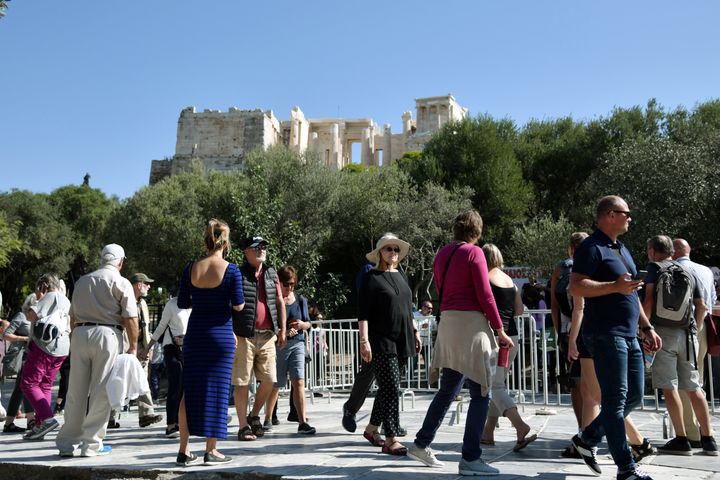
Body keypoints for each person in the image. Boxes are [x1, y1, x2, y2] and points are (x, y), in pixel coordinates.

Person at [407, 210, 513, 476]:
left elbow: (441, 287)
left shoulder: (442, 253)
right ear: (477, 230)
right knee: (481, 392)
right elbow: (485, 294)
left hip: (448, 323)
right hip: (471, 325)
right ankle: (470, 458)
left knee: (448, 389)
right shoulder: (474, 253)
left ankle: (421, 443)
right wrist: (500, 330)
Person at [569, 196, 662, 480]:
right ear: (610, 214)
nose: (630, 218)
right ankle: (626, 468)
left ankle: (587, 439)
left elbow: (630, 292)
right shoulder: (590, 247)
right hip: (606, 334)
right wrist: (613, 286)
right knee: (615, 399)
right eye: (626, 213)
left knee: (633, 395)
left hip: (630, 334)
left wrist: (646, 327)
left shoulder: (621, 248)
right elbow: (576, 287)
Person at [55, 243, 139, 458]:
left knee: (76, 390)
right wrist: (133, 346)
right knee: (101, 390)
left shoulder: (83, 281)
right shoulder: (121, 282)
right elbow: (130, 317)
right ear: (120, 261)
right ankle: (91, 444)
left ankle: (67, 442)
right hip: (107, 335)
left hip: (81, 333)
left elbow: (72, 316)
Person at [175, 219, 244, 466]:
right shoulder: (232, 270)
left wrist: (203, 299)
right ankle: (211, 450)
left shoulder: (191, 267)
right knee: (217, 390)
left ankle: (184, 450)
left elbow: (183, 302)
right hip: (220, 335)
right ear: (225, 242)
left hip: (195, 334)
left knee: (188, 392)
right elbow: (238, 305)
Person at [642, 235, 717, 456]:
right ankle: (709, 439)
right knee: (694, 387)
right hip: (688, 334)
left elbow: (648, 301)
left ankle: (682, 439)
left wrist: (645, 329)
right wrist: (696, 328)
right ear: (671, 251)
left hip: (662, 333)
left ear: (653, 251)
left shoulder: (654, 268)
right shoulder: (688, 271)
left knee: (670, 386)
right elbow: (701, 305)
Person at [358, 233, 420, 456]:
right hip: (381, 340)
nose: (392, 253)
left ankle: (372, 429)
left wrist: (415, 331)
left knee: (388, 388)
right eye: (388, 249)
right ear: (380, 253)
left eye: (395, 249)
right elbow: (363, 314)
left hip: (404, 338)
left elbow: (407, 307)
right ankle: (390, 438)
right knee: (392, 388)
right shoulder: (371, 277)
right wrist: (364, 341)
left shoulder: (401, 275)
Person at [480, 244, 536, 451]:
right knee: (498, 384)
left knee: (495, 387)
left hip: (495, 338)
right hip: (512, 338)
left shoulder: (485, 279)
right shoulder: (510, 281)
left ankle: (520, 426)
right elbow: (519, 311)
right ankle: (488, 432)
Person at [232, 236, 286, 441]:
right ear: (246, 252)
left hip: (267, 336)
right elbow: (229, 304)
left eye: (263, 247)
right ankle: (243, 426)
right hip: (243, 335)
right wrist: (230, 331)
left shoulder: (271, 273)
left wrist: (281, 329)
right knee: (242, 382)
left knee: (270, 380)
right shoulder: (237, 273)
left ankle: (254, 415)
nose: (262, 250)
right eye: (257, 247)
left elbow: (280, 301)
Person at [672, 238, 718, 450]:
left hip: (678, 328)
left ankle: (692, 434)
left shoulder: (671, 269)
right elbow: (711, 301)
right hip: (701, 328)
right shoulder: (706, 271)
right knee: (697, 380)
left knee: (683, 384)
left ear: (673, 252)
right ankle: (706, 430)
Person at [265, 265, 316, 434]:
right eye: (286, 284)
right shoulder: (273, 301)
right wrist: (284, 333)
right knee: (276, 384)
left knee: (299, 381)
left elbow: (308, 323)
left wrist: (302, 325)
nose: (290, 287)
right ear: (279, 283)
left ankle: (302, 421)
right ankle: (267, 418)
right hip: (278, 345)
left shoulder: (301, 300)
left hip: (298, 343)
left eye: (292, 284)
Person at [108, 272, 162, 429]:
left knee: (142, 381)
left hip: (140, 350)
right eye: (147, 283)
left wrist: (147, 347)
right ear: (139, 285)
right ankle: (109, 418)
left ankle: (146, 414)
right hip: (124, 348)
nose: (149, 286)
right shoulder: (122, 300)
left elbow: (144, 328)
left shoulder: (143, 303)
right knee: (117, 382)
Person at [21, 273, 71, 440]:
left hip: (45, 347)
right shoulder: (65, 299)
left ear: (42, 286)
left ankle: (47, 419)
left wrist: (38, 300)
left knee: (28, 383)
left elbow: (31, 316)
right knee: (45, 385)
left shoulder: (49, 296)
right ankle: (40, 425)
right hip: (62, 347)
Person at [141, 291, 190, 438]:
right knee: (176, 386)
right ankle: (171, 425)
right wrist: (147, 348)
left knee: (189, 387)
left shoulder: (198, 304)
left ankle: (186, 422)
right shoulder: (172, 304)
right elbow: (161, 327)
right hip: (172, 348)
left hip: (191, 348)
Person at [1, 295, 36, 433]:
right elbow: (6, 334)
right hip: (22, 358)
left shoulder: (38, 317)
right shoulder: (22, 316)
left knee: (20, 390)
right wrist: (25, 338)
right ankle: (31, 421)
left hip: (33, 357)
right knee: (27, 387)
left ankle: (9, 423)